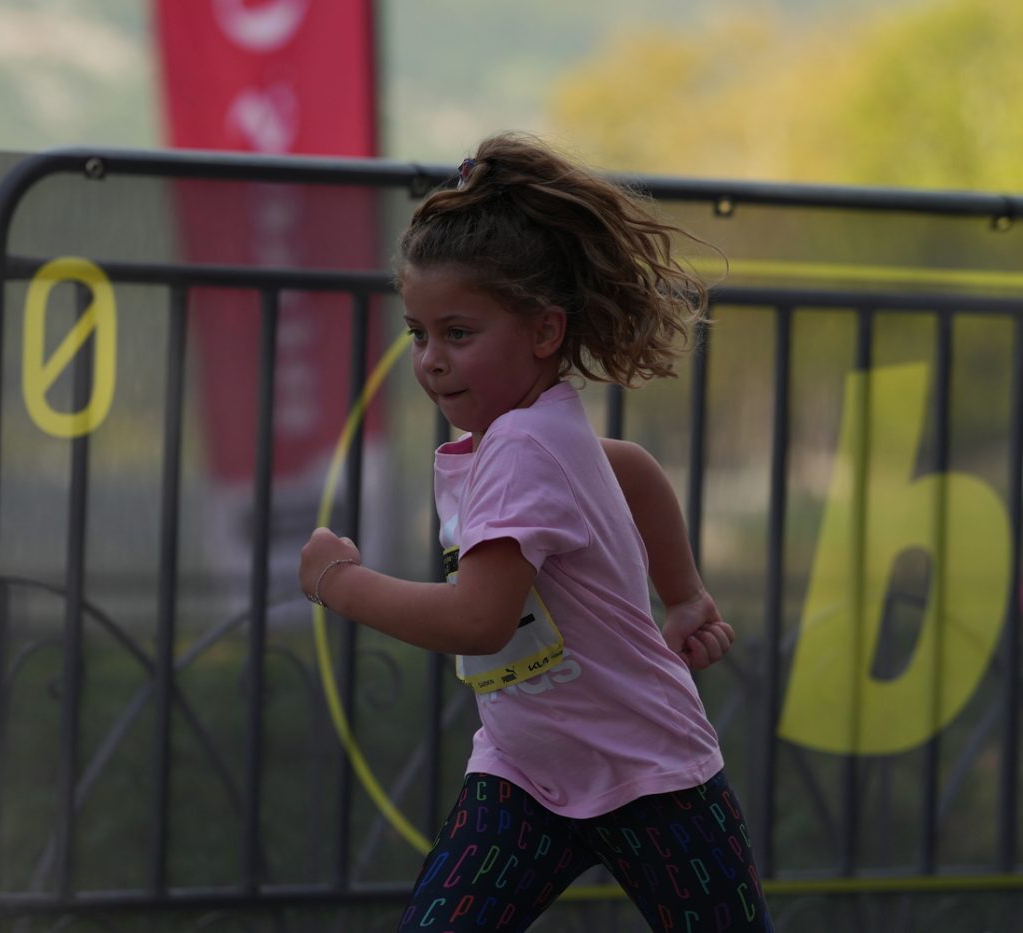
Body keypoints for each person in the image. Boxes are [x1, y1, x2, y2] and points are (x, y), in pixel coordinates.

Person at [298, 132, 772, 931]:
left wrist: (336, 581)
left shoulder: (521, 444)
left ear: (545, 333)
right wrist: (684, 595)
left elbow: (480, 620)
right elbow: (632, 468)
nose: (431, 360)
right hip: (525, 774)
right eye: (418, 333)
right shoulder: (538, 428)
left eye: (459, 333)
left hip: (647, 772)